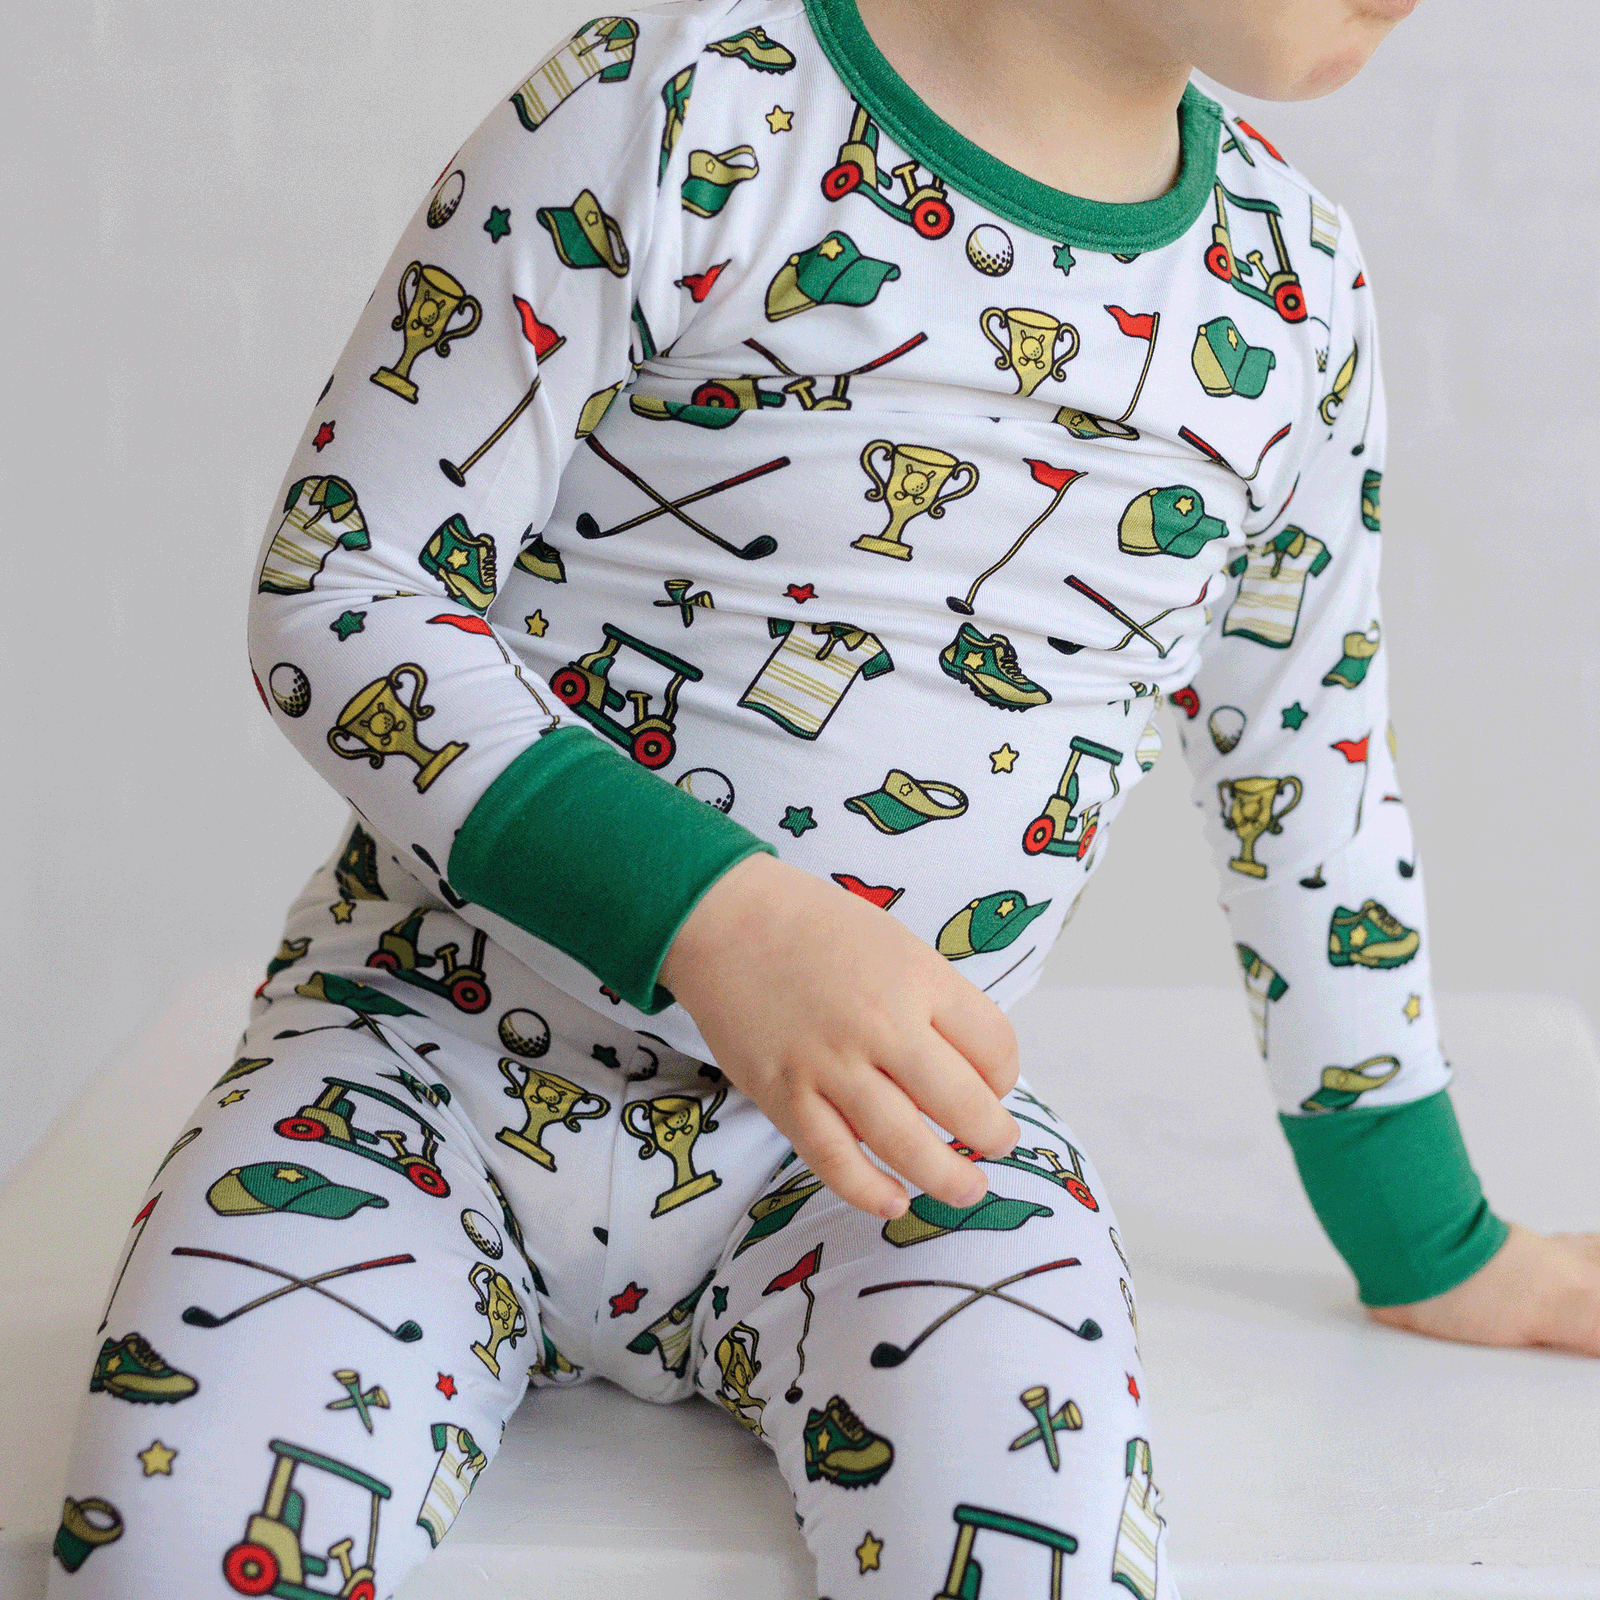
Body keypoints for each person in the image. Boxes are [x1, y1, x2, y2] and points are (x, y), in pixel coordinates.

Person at [50, 0, 1600, 1595]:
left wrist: (1430, 1240)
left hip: (888, 1153)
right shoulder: (680, 106)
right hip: (412, 1071)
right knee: (172, 1555)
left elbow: (1305, 765)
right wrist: (713, 917)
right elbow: (343, 583)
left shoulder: (1294, 293)